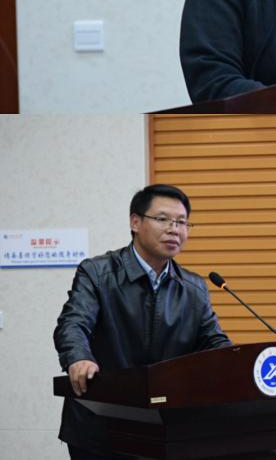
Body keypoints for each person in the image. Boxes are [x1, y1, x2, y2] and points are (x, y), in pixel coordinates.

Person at [54, 184, 231, 459]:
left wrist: (237, 365)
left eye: (182, 222)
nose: (174, 229)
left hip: (165, 428)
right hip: (100, 423)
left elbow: (214, 341)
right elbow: (73, 323)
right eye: (163, 219)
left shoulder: (194, 288)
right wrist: (79, 358)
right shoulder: (98, 273)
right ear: (135, 222)